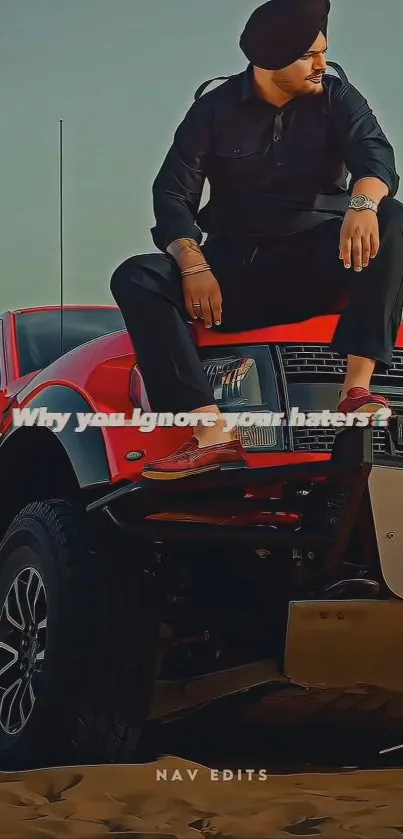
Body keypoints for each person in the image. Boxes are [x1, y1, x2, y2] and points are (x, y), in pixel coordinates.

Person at [110, 0, 403, 480]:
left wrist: (363, 204)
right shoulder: (213, 109)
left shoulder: (338, 97)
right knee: (137, 275)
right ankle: (210, 435)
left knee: (393, 216)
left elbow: (377, 161)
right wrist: (193, 264)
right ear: (272, 59)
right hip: (235, 277)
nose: (322, 65)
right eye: (310, 56)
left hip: (321, 264)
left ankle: (357, 391)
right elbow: (172, 194)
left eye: (323, 53)